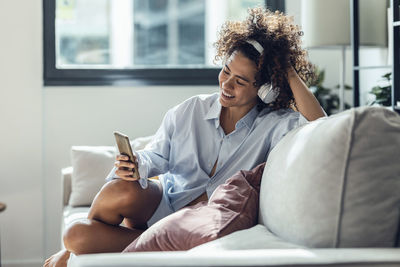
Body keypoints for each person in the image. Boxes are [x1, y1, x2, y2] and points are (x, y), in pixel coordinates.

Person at [44, 7, 326, 267]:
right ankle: (83, 252)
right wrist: (136, 164)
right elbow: (156, 156)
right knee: (115, 193)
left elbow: (321, 129)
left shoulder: (275, 125)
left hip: (202, 226)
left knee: (79, 236)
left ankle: (147, 250)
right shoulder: (191, 109)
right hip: (164, 204)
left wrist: (284, 68)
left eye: (240, 81)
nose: (226, 84)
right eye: (225, 71)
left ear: (266, 89)